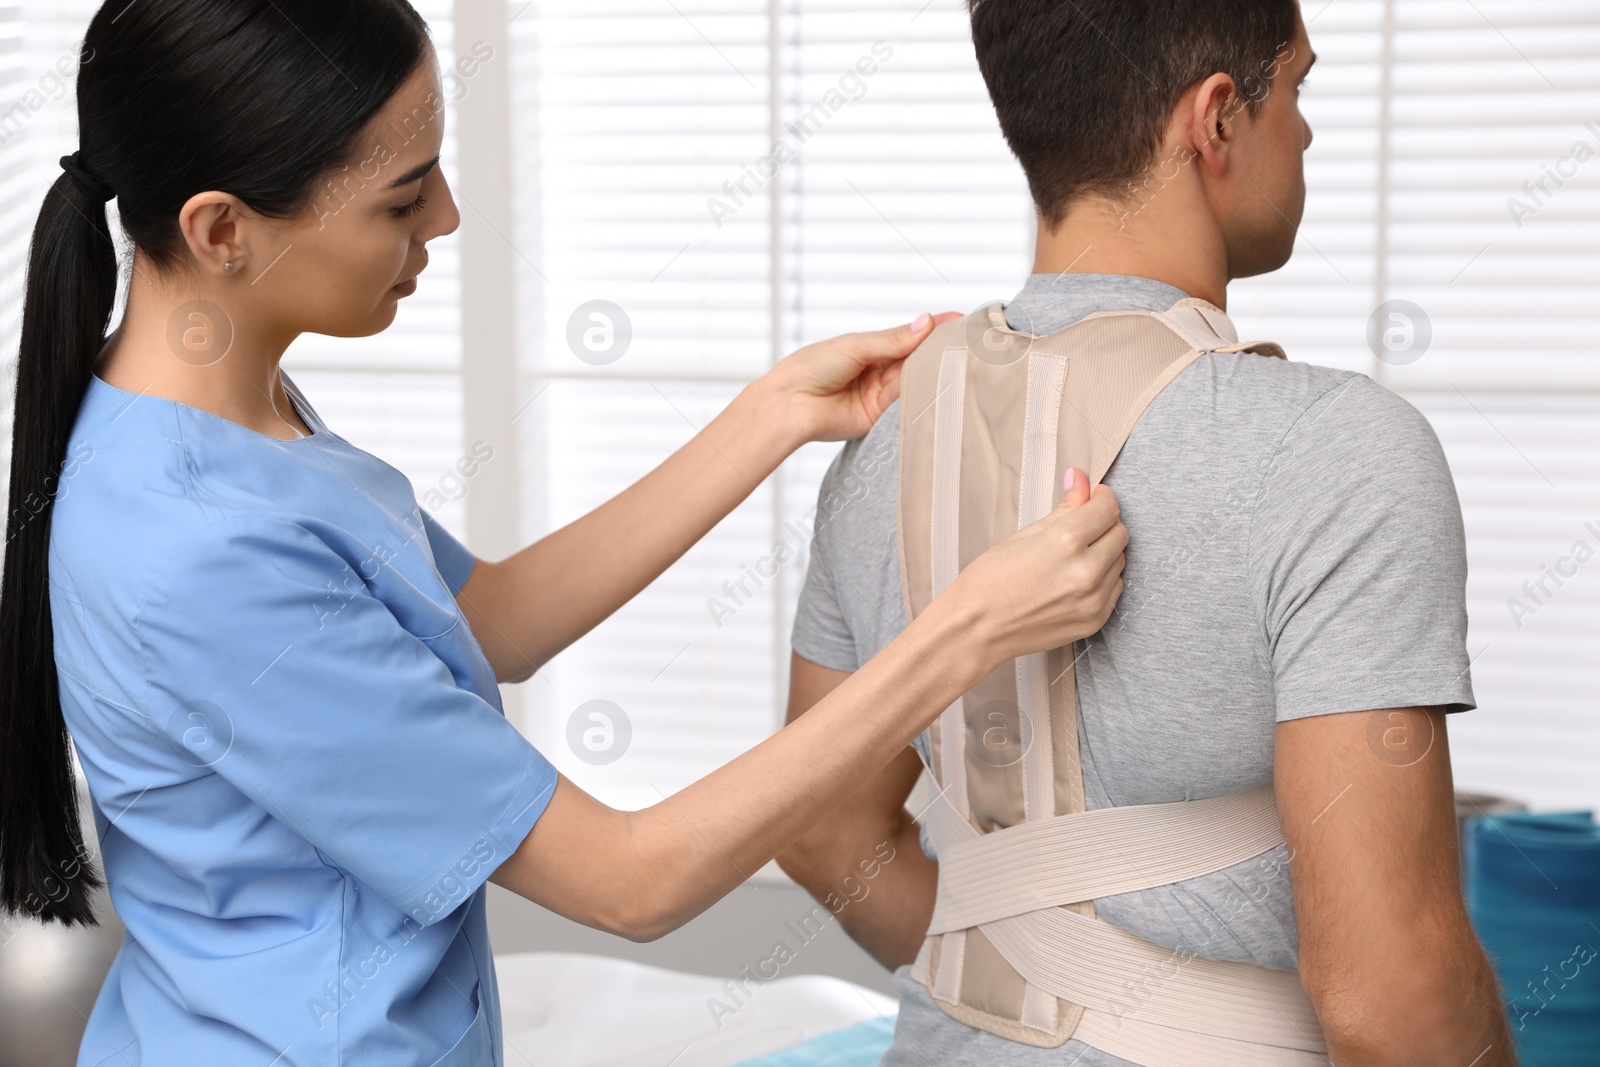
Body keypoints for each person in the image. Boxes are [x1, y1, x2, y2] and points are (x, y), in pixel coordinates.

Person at [0, 1, 1130, 1064]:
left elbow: (481, 619)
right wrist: (963, 633)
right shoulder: (199, 551)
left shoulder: (222, 415)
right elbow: (628, 880)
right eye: (402, 199)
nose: (444, 216)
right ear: (222, 231)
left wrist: (774, 413)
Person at [776, 1, 1516, 1064]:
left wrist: (1019, 979)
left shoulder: (884, 431)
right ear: (1215, 120)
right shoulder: (1337, 449)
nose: (1303, 130)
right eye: (1297, 89)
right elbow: (1386, 992)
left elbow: (820, 828)